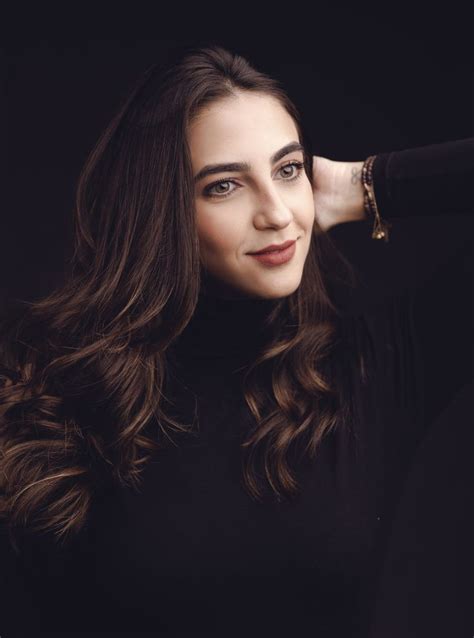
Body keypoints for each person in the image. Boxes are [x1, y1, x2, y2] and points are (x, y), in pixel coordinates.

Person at [0, 43, 472, 637]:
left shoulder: (371, 370)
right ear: (162, 211)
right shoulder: (60, 400)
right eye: (225, 186)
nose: (276, 213)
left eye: (287, 170)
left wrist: (368, 184)